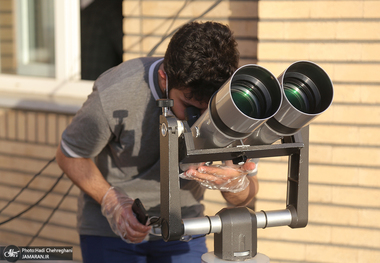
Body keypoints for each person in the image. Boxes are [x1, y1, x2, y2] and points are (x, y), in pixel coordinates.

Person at [56, 21, 259, 263]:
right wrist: (112, 202)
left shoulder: (233, 101)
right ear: (165, 79)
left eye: (208, 108)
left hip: (185, 227)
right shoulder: (116, 91)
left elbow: (247, 194)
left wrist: (235, 185)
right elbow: (69, 154)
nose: (197, 117)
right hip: (111, 234)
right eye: (189, 105)